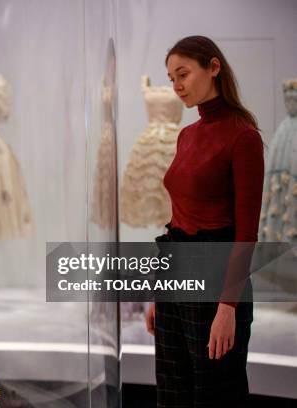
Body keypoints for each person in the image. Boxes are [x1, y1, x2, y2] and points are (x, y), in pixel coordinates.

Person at [144, 35, 264, 407]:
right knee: (172, 387)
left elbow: (246, 234)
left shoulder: (243, 137)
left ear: (213, 68)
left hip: (216, 277)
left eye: (183, 74)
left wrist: (227, 308)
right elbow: (178, 218)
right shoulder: (187, 136)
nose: (177, 85)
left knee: (216, 393)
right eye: (171, 78)